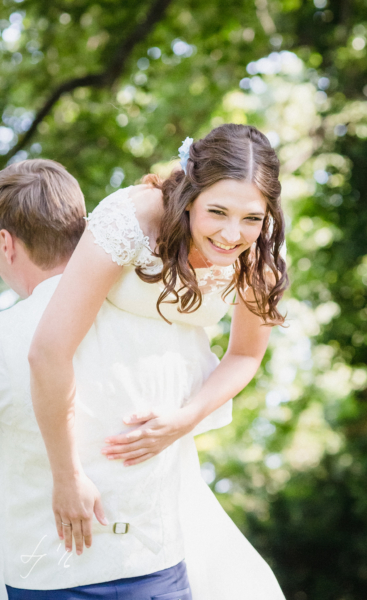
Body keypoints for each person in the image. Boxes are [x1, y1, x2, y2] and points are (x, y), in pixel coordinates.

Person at [29, 123, 288, 599]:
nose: (233, 235)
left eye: (252, 217)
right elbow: (49, 349)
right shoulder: (132, 218)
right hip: (75, 435)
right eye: (217, 212)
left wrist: (184, 418)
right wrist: (66, 475)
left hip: (164, 445)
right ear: (189, 195)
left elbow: (246, 353)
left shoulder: (259, 254)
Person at [0, 159, 193, 599]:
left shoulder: (5, 336)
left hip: (47, 575)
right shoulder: (156, 319)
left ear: (5, 243)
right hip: (154, 568)